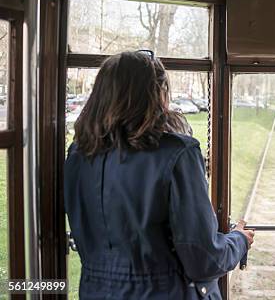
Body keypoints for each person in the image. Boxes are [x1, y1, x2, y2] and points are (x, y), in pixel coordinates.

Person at [64, 50, 254, 299]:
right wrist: (238, 240)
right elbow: (203, 258)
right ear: (157, 94)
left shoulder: (78, 155)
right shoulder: (176, 153)